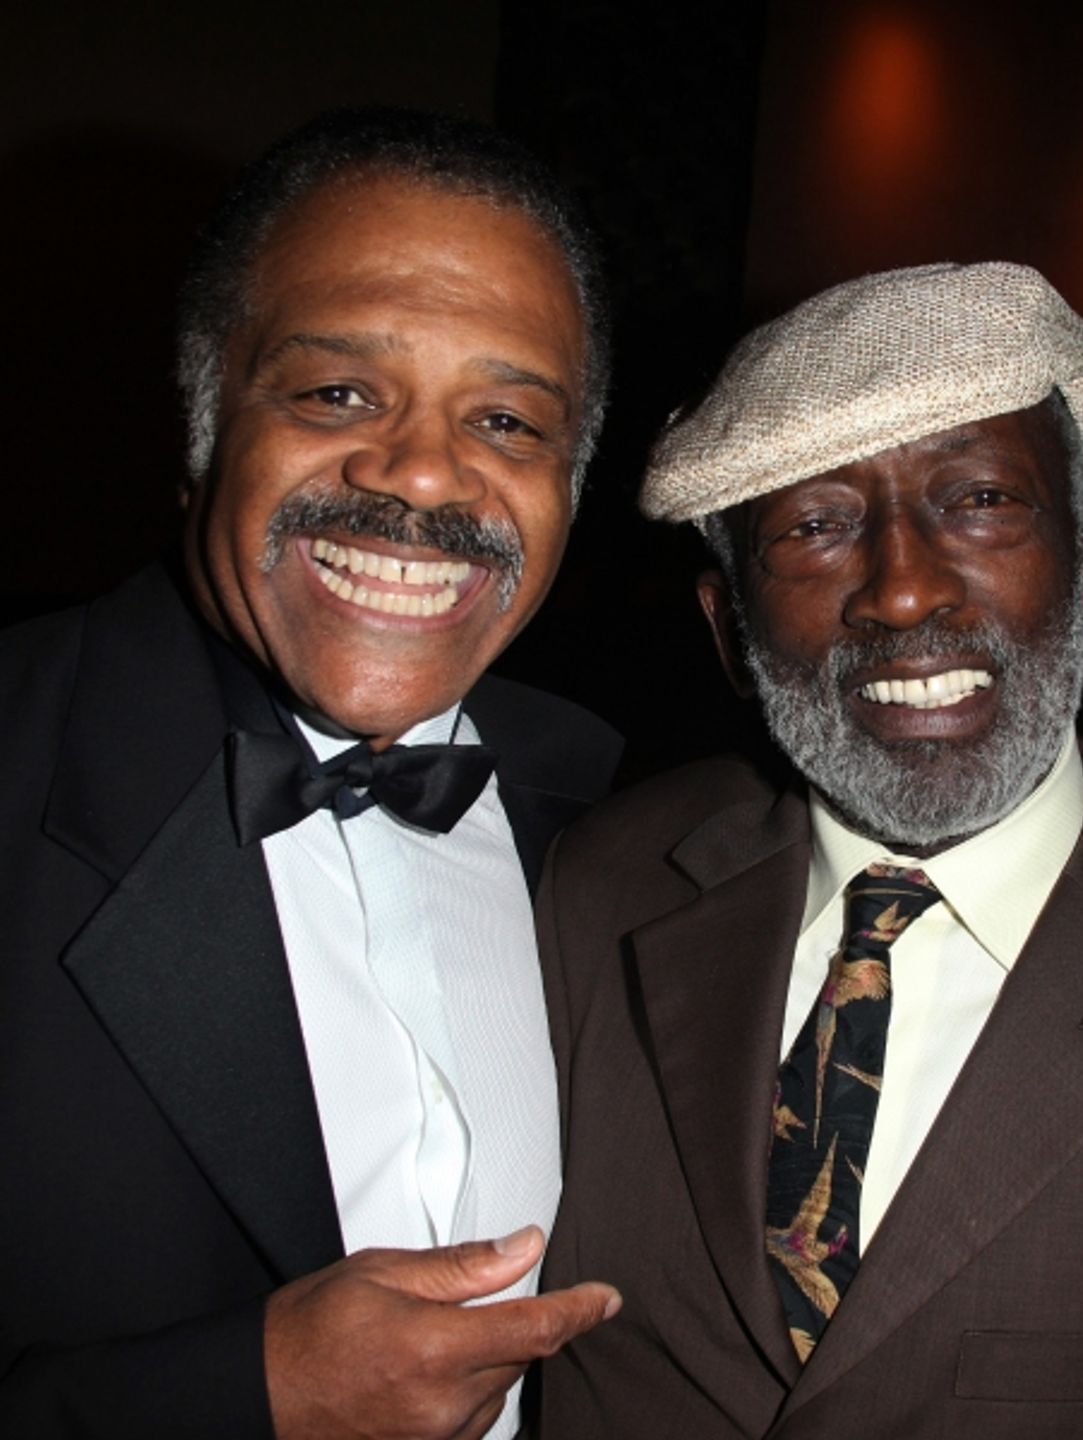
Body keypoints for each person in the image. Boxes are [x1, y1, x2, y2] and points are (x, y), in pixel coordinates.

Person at [0, 106, 623, 1440]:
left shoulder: (621, 821)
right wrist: (238, 1397)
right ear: (201, 427)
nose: (419, 471)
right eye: (339, 392)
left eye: (507, 419)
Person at [535, 262, 1083, 1438]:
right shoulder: (596, 890)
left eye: (981, 500)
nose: (901, 592)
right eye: (817, 525)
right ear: (729, 635)